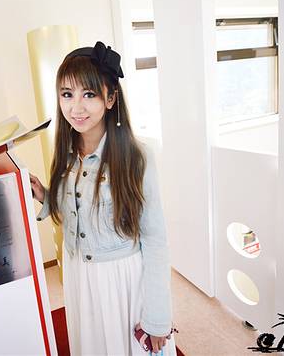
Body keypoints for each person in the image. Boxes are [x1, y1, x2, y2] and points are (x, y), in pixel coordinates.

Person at [30, 41, 177, 356]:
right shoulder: (66, 153)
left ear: (110, 98)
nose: (76, 107)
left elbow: (155, 240)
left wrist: (157, 317)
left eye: (89, 94)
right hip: (79, 275)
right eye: (67, 94)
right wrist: (46, 196)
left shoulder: (137, 157)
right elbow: (79, 210)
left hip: (120, 280)